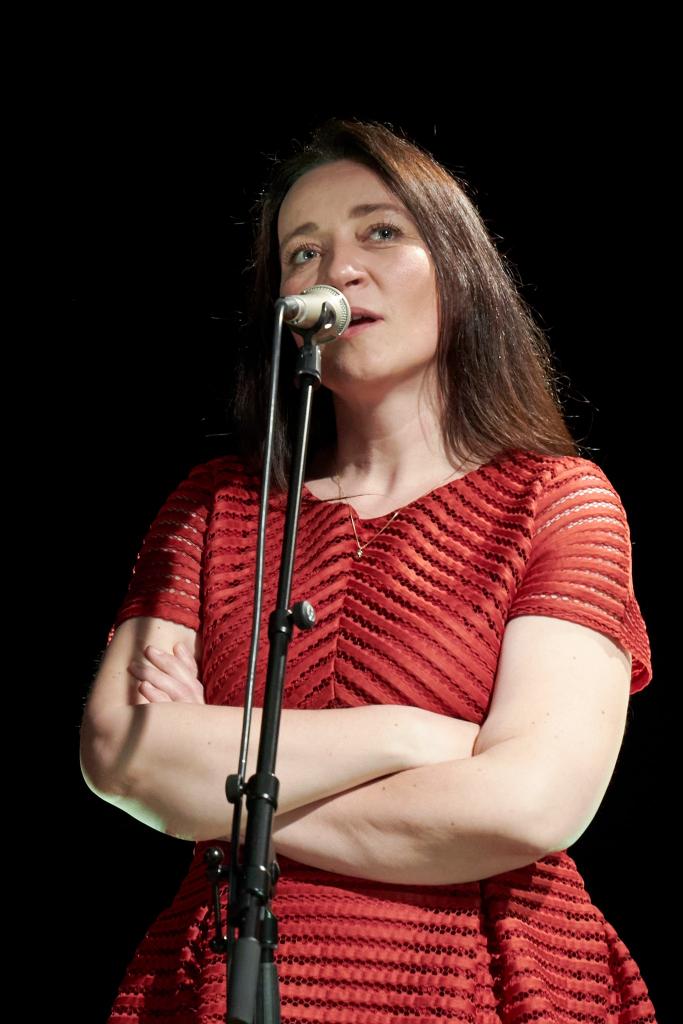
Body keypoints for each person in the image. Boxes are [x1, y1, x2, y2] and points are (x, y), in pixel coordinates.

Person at [80, 118, 656, 1022]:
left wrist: (220, 802)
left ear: (458, 269)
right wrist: (413, 736)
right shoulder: (218, 506)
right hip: (218, 975)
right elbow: (122, 753)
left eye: (380, 232)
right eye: (302, 253)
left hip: (482, 981)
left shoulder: (554, 499)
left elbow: (526, 807)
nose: (336, 271)